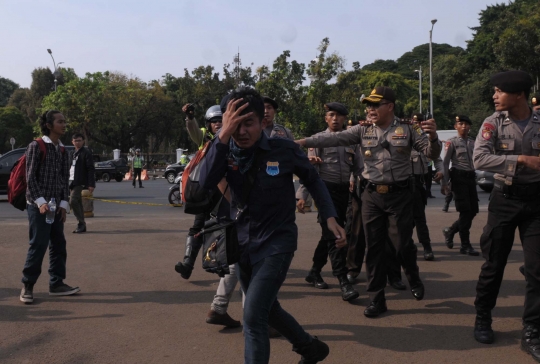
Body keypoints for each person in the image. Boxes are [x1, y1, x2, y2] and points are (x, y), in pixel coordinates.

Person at [201, 87, 345, 364]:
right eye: (235, 123)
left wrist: (329, 216)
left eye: (249, 123)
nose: (242, 131)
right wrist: (222, 137)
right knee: (269, 307)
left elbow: (313, 180)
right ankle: (310, 348)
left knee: (253, 316)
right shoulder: (221, 150)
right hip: (241, 244)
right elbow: (204, 184)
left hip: (277, 242)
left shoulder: (284, 149)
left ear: (262, 121)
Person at [296, 86, 441, 318]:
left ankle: (412, 275)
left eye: (375, 105)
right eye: (368, 105)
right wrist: (301, 142)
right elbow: (332, 138)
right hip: (371, 196)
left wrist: (433, 137)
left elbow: (431, 154)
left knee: (402, 243)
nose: (370, 109)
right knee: (373, 247)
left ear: (390, 106)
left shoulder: (408, 129)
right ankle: (376, 298)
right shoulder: (362, 130)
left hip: (400, 195)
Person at [472, 71, 540, 362]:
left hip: (536, 202)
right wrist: (521, 160)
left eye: (499, 91)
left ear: (519, 95)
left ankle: (532, 331)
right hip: (504, 199)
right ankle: (483, 317)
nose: (494, 96)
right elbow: (480, 159)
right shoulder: (492, 123)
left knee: (537, 271)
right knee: (494, 263)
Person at [176, 104, 241, 328]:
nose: (217, 123)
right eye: (213, 121)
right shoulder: (206, 138)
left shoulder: (234, 137)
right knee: (199, 226)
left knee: (221, 229)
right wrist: (189, 117)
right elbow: (194, 131)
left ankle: (219, 265)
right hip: (207, 190)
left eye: (220, 120)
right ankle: (188, 262)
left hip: (225, 192)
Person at [296, 102, 361, 302]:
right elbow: (310, 173)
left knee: (330, 235)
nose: (335, 119)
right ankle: (343, 280)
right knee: (335, 235)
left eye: (339, 116)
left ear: (344, 119)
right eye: (331, 115)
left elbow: (358, 168)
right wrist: (302, 196)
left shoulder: (351, 140)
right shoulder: (317, 140)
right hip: (325, 192)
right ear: (326, 118)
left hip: (345, 193)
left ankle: (314, 271)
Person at [19, 110, 80, 304]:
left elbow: (63, 181)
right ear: (49, 125)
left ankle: (56, 283)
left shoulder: (63, 150)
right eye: (60, 122)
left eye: (64, 121)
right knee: (38, 245)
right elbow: (30, 178)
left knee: (59, 244)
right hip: (38, 207)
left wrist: (63, 204)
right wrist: (41, 202)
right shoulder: (36, 146)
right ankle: (27, 285)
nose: (64, 125)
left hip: (55, 207)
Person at [441, 115, 480, 256]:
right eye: (461, 124)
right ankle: (465, 245)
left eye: (466, 124)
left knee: (473, 210)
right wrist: (444, 183)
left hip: (470, 179)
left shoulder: (472, 142)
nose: (464, 126)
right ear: (455, 126)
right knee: (465, 212)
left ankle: (450, 231)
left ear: (469, 127)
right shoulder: (452, 143)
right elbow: (445, 163)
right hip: (459, 178)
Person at [410, 113, 439, 261]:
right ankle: (407, 247)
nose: (418, 124)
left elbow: (435, 156)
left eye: (420, 121)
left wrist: (440, 170)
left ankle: (426, 247)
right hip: (405, 182)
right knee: (406, 220)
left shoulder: (426, 138)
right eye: (415, 121)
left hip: (420, 181)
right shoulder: (405, 136)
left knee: (420, 218)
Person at [69, 133, 95, 234]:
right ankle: (82, 224)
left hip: (79, 181)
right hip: (70, 180)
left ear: (83, 141)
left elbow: (90, 169)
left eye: (79, 140)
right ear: (72, 142)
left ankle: (81, 223)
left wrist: (91, 184)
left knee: (73, 200)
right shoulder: (71, 153)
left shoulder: (86, 153)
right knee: (77, 202)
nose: (77, 143)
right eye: (75, 141)